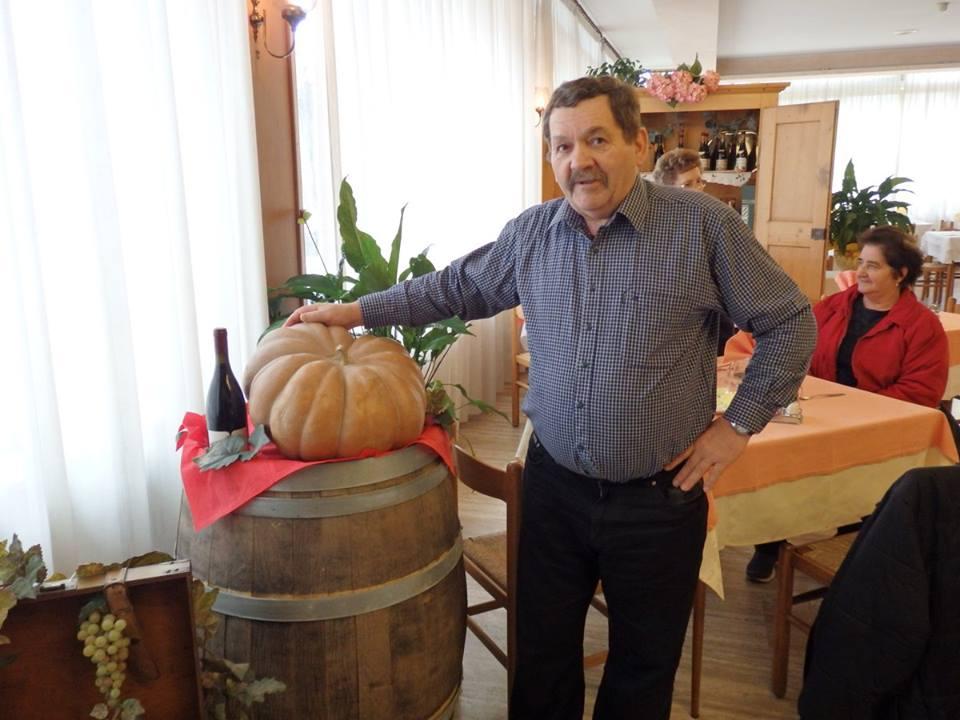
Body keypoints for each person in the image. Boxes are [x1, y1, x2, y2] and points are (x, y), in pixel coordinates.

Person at [285, 76, 816, 719]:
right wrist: (354, 311)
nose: (578, 160)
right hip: (553, 490)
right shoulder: (532, 233)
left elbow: (791, 323)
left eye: (597, 140)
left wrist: (737, 426)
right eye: (562, 146)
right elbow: (452, 288)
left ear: (638, 144)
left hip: (658, 500)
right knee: (541, 661)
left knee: (642, 671)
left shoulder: (703, 227)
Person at [746, 226, 948, 583]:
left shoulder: (922, 326)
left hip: (878, 428)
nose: (861, 272)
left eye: (873, 265)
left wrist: (855, 409)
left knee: (863, 489)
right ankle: (769, 543)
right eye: (861, 263)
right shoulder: (834, 306)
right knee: (782, 466)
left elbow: (920, 393)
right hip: (821, 414)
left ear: (900, 274)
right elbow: (800, 351)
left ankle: (855, 547)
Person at [652, 147, 735, 354]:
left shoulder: (714, 224)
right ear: (666, 190)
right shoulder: (657, 231)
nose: (698, 189)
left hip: (715, 326)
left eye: (699, 181)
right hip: (673, 331)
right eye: (688, 184)